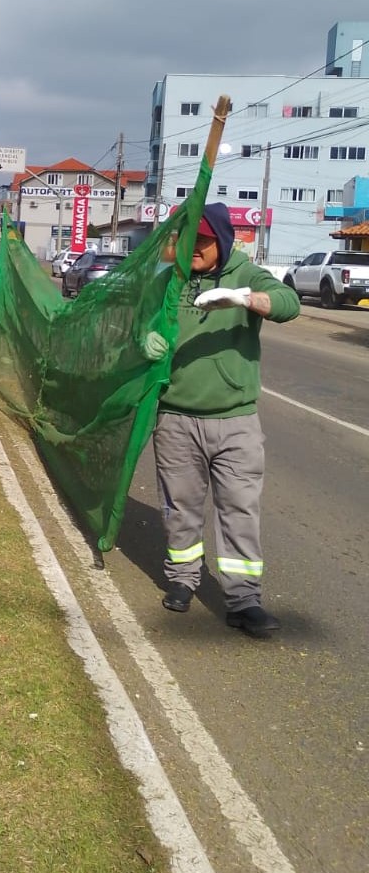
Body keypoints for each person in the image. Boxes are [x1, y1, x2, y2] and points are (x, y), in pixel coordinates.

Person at [150, 203, 300, 637]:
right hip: (176, 417)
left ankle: (243, 600)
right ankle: (183, 579)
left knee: (239, 508)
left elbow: (289, 304)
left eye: (203, 240)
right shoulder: (169, 279)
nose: (193, 247)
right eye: (187, 239)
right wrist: (145, 339)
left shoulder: (246, 273)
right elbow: (136, 322)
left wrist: (243, 298)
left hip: (235, 422)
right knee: (180, 506)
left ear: (222, 238)